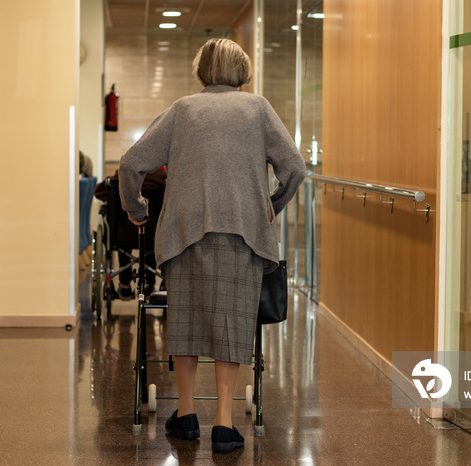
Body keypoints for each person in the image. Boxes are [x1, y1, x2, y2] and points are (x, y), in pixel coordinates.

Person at [118, 38, 305, 453]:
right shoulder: (258, 108)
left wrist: (136, 208)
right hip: (243, 231)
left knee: (184, 321)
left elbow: (132, 163)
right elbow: (294, 167)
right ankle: (224, 421)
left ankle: (186, 415)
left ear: (202, 69)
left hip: (184, 231)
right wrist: (268, 206)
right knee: (233, 323)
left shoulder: (183, 109)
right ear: (242, 70)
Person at [94, 167, 166, 299]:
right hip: (152, 234)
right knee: (151, 243)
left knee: (122, 237)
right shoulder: (162, 177)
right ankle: (149, 286)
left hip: (123, 235)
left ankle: (124, 285)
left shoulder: (122, 175)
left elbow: (99, 192)